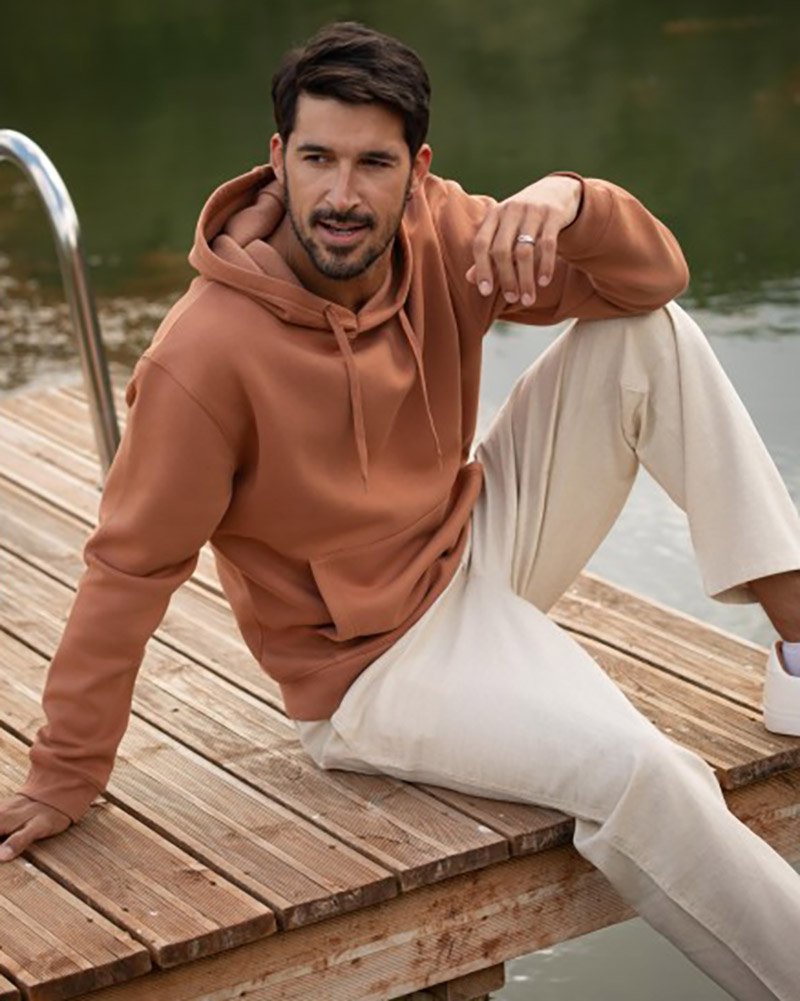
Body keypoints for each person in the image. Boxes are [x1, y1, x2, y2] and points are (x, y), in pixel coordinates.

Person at [2, 20, 800, 999]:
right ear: (277, 159)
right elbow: (129, 569)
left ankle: (797, 643)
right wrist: (65, 771)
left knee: (648, 334)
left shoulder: (444, 234)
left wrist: (570, 198)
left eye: (373, 163)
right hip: (369, 669)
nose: (341, 194)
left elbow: (652, 279)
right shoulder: (202, 359)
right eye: (318, 159)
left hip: (469, 545)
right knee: (643, 770)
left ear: (416, 171)